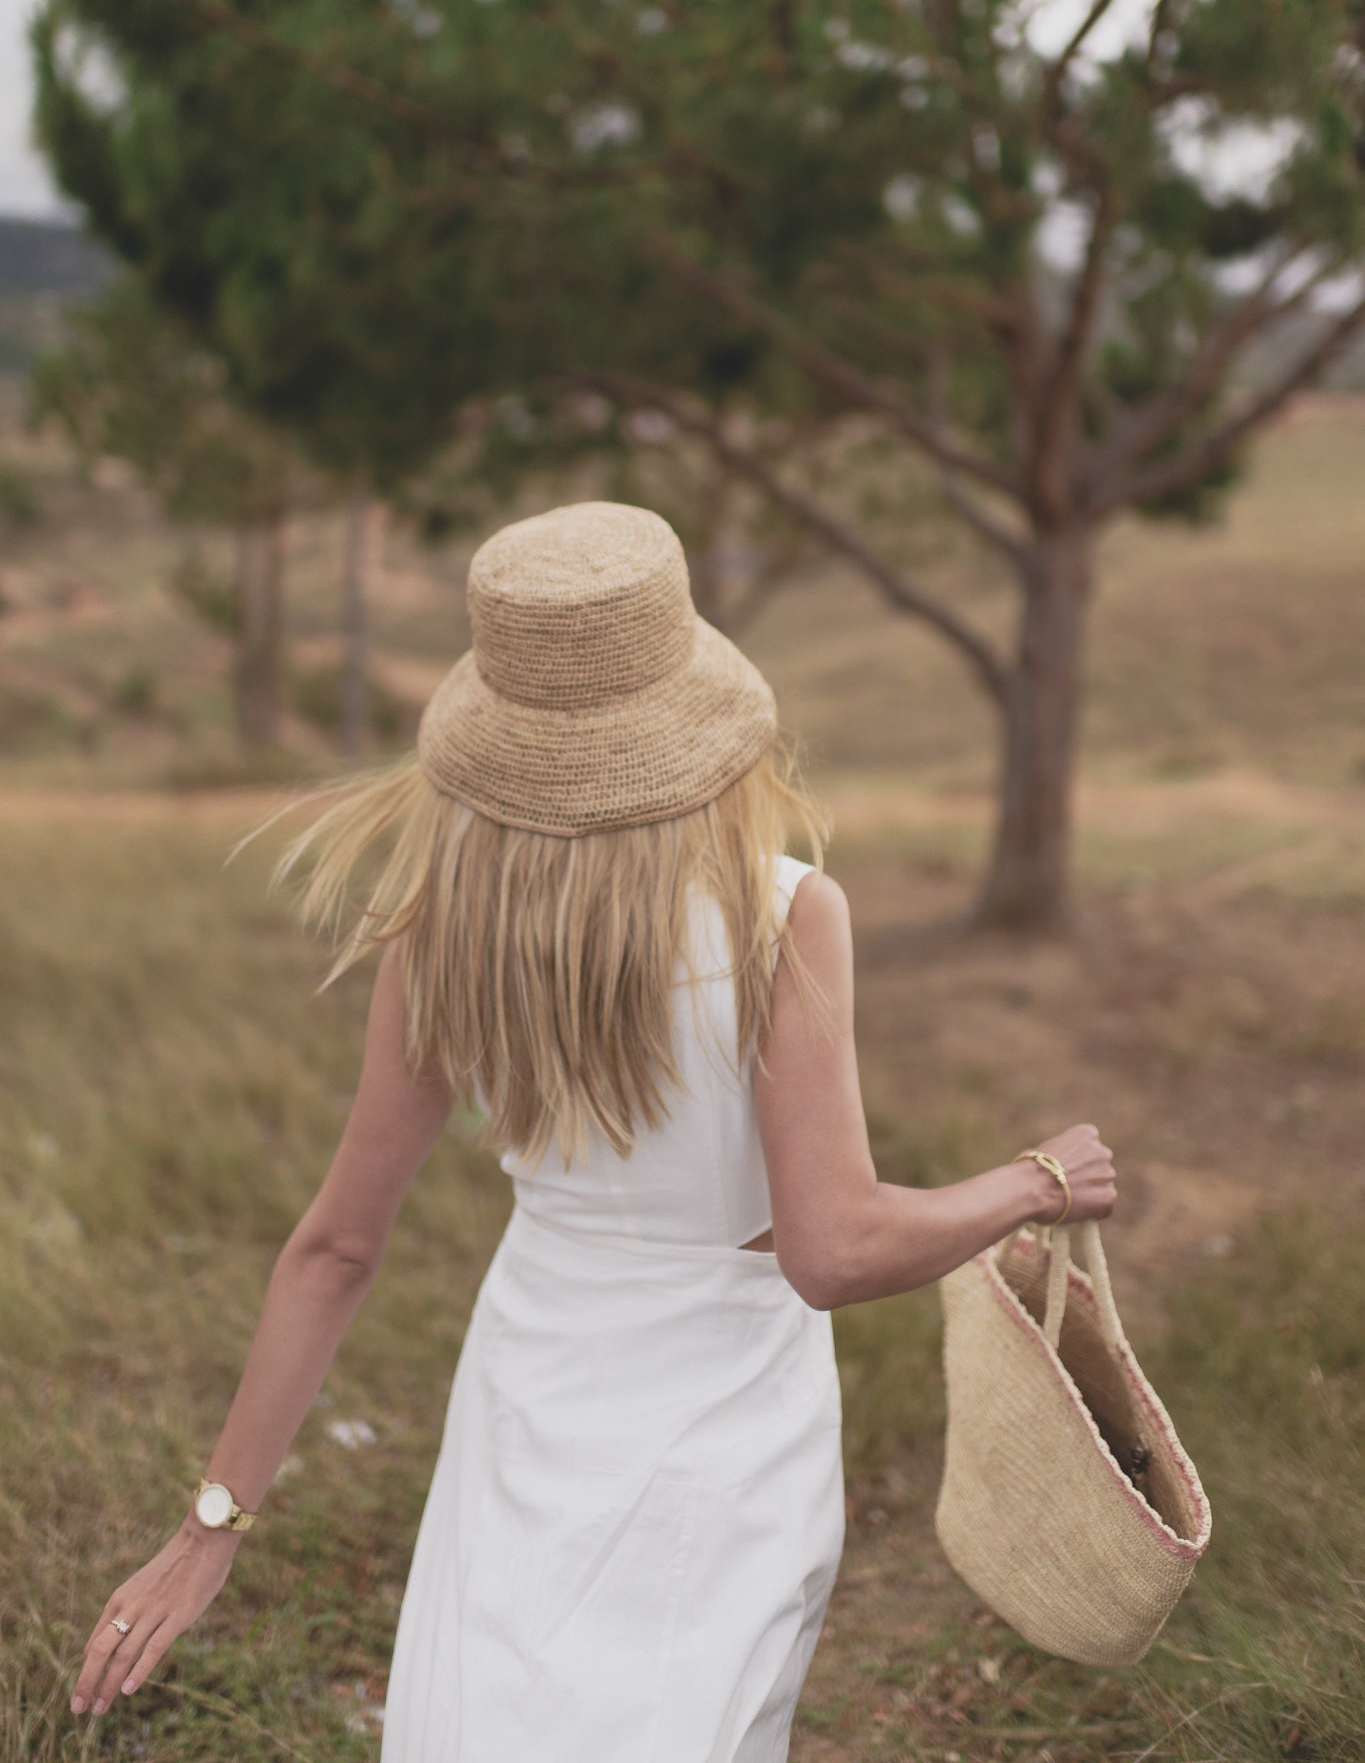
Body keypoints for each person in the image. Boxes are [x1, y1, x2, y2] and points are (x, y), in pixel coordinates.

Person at [70, 500, 1118, 1757]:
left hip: (530, 1392)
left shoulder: (439, 929)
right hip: (726, 1423)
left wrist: (209, 1529)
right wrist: (1034, 1180)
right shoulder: (784, 918)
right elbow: (830, 1250)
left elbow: (335, 1247)